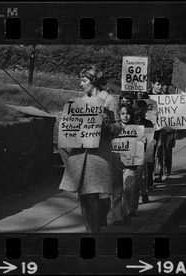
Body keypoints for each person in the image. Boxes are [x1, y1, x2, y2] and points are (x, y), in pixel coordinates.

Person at [59, 65, 122, 233]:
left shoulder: (109, 100)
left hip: (98, 154)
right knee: (85, 196)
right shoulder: (80, 101)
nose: (81, 84)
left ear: (93, 81)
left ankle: (99, 219)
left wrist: (108, 126)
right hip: (79, 154)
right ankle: (91, 232)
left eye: (84, 80)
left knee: (101, 196)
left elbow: (118, 126)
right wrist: (65, 121)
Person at [111, 103, 137, 226]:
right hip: (116, 163)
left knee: (128, 189)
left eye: (127, 113)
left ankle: (126, 213)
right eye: (122, 113)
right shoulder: (114, 127)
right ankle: (117, 217)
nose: (125, 116)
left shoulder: (136, 128)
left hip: (130, 164)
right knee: (116, 192)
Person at [130, 101, 154, 216]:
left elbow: (150, 141)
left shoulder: (148, 124)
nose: (138, 121)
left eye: (140, 118)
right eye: (136, 118)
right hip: (129, 158)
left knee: (141, 179)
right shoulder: (127, 127)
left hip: (142, 157)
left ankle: (142, 195)